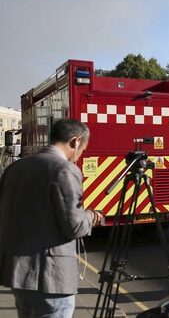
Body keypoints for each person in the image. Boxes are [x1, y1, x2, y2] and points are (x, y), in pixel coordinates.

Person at [0, 118, 103, 317]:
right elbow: (74, 226)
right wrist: (90, 216)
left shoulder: (15, 169)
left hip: (18, 273)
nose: (79, 156)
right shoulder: (64, 170)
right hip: (50, 278)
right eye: (82, 150)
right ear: (75, 141)